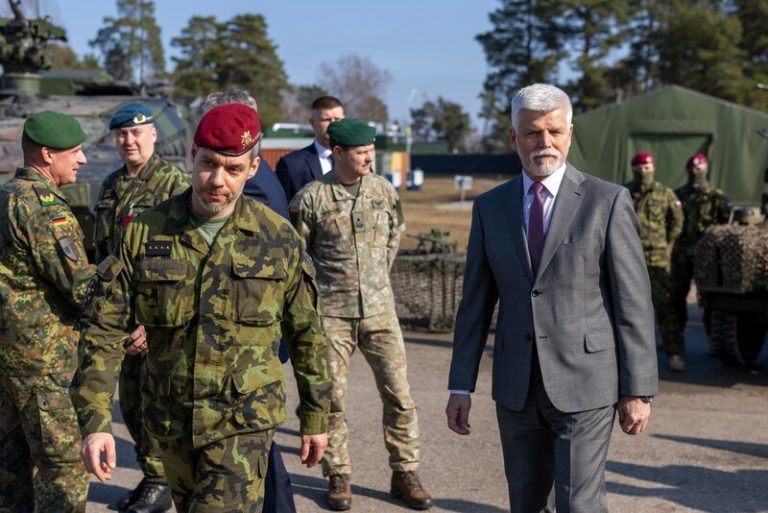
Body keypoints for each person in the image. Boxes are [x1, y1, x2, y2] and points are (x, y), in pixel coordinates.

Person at [70, 103, 331, 513]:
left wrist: (317, 415)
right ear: (192, 155)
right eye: (209, 164)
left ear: (253, 167)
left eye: (233, 169)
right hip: (171, 424)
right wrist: (97, 421)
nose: (217, 181)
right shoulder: (146, 231)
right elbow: (103, 329)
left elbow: (308, 335)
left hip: (242, 423)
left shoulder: (278, 238)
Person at [445, 84, 658, 513]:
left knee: (578, 503)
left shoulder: (607, 201)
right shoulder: (490, 207)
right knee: (525, 502)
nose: (545, 143)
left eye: (555, 132)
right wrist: (459, 384)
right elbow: (475, 304)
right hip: (516, 388)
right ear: (513, 137)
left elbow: (632, 303)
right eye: (533, 133)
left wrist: (637, 390)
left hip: (587, 384)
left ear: (570, 133)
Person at [290, 117, 433, 511]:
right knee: (331, 398)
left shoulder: (384, 191)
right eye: (361, 152)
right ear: (338, 153)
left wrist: (372, 285)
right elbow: (299, 261)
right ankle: (338, 475)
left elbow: (393, 238)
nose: (369, 158)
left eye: (372, 151)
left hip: (380, 312)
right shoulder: (311, 199)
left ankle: (404, 472)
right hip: (332, 316)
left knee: (400, 397)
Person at [190, 90, 295, 513]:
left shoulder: (256, 196)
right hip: (233, 361)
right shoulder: (253, 177)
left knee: (254, 459)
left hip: (242, 355)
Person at [95, 101, 190, 513]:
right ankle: (154, 478)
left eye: (137, 133)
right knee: (130, 403)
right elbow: (102, 250)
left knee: (158, 404)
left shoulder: (174, 185)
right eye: (122, 134)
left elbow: (181, 258)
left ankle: (160, 481)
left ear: (154, 134)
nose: (129, 141)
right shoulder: (111, 185)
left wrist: (151, 321)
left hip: (155, 317)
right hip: (117, 313)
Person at [0, 111, 91, 511]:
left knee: (9, 472)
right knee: (62, 473)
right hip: (45, 368)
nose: (83, 159)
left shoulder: (5, 196)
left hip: (9, 362)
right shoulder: (44, 208)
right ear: (47, 154)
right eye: (75, 151)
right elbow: (82, 288)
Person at [625, 151, 685, 372]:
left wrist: (666, 243)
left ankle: (675, 352)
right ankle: (631, 360)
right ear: (634, 169)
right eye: (640, 168)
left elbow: (677, 221)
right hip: (629, 259)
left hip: (656, 259)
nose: (644, 172)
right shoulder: (625, 192)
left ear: (654, 168)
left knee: (664, 306)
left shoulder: (665, 193)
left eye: (647, 168)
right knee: (628, 308)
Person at [670, 154, 731, 365]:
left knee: (708, 300)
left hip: (707, 258)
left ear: (706, 169)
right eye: (693, 169)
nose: (696, 172)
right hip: (681, 256)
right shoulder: (678, 195)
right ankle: (675, 340)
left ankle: (714, 340)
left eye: (700, 168)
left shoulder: (716, 197)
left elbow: (725, 227)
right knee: (677, 297)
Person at [276, 96, 344, 201]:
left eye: (338, 119)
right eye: (327, 119)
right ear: (313, 123)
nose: (333, 124)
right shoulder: (291, 165)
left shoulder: (357, 160)